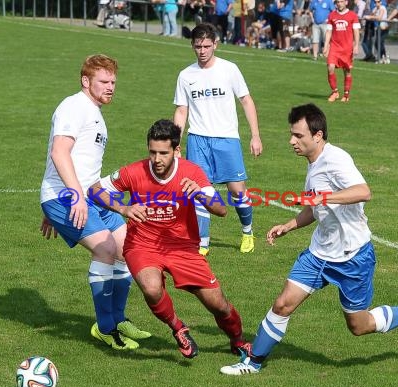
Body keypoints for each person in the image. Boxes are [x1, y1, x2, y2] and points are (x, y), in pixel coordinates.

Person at [220, 103, 398, 376]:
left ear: (318, 135)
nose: (292, 141)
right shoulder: (313, 164)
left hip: (352, 257)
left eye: (298, 136)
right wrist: (288, 225)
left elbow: (363, 191)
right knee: (283, 303)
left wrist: (323, 197)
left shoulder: (336, 160)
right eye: (292, 134)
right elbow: (314, 208)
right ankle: (252, 362)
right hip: (318, 254)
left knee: (359, 326)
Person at [88, 119, 250, 359]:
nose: (157, 159)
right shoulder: (133, 172)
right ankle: (179, 329)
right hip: (142, 244)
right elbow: (94, 190)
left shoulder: (191, 172)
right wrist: (123, 209)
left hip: (183, 247)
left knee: (218, 304)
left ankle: (238, 340)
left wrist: (200, 194)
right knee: (152, 289)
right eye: (152, 152)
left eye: (163, 153)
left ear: (177, 150)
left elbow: (221, 210)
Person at [39, 54, 151, 352]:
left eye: (113, 81)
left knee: (128, 248)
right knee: (105, 249)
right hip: (71, 196)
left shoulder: (94, 111)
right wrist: (69, 197)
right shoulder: (74, 106)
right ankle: (105, 329)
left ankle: (118, 319)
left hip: (87, 194)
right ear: (85, 81)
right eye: (103, 81)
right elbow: (59, 152)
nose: (110, 87)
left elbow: (73, 159)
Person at [173, 23, 263, 256]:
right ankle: (202, 243)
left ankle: (247, 231)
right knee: (200, 191)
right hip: (198, 139)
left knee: (237, 191)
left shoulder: (229, 69)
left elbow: (246, 100)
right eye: (197, 46)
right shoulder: (185, 75)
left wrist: (255, 136)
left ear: (215, 44)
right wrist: (175, 142)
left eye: (206, 46)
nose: (202, 51)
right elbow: (182, 111)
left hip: (226, 139)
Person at [324, 0, 360, 103]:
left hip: (347, 48)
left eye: (341, 1)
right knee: (330, 67)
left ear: (346, 2)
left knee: (347, 71)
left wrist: (356, 45)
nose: (339, 4)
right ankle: (335, 92)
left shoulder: (352, 15)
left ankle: (346, 94)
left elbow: (356, 31)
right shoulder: (332, 15)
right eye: (337, 2)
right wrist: (326, 45)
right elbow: (329, 31)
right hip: (334, 47)